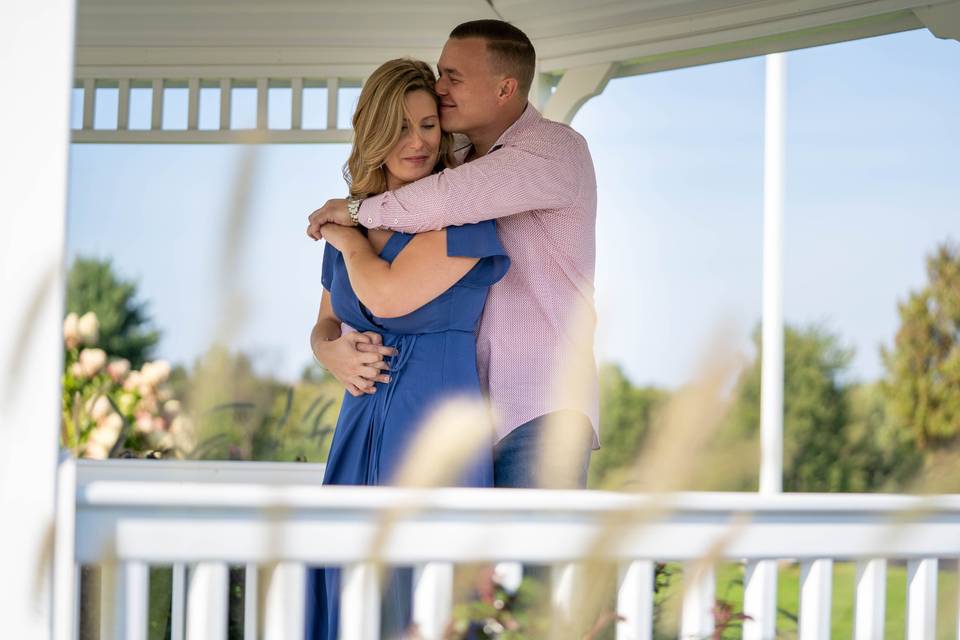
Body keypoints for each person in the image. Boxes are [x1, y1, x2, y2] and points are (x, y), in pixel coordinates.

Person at [307, 19, 599, 490]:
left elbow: (447, 201)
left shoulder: (551, 150)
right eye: (440, 74)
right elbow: (330, 319)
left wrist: (354, 216)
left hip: (537, 407)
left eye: (453, 78)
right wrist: (327, 351)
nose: (440, 89)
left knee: (529, 561)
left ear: (505, 88)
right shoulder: (455, 164)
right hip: (460, 407)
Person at [304, 58, 510, 639]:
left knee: (427, 599)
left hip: (435, 437)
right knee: (348, 595)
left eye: (426, 124)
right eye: (398, 127)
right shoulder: (349, 230)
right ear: (370, 131)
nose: (416, 142)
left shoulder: (463, 217)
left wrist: (347, 237)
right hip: (356, 430)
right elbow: (323, 326)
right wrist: (331, 353)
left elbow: (388, 295)